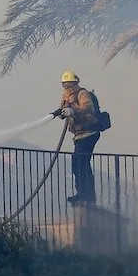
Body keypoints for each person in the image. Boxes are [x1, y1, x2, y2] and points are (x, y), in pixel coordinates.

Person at [53, 72, 103, 203]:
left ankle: (85, 195)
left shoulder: (82, 94)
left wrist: (73, 111)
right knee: (80, 164)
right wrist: (61, 113)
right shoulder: (66, 96)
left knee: (79, 164)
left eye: (68, 84)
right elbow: (63, 109)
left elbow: (88, 108)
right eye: (64, 84)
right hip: (79, 135)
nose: (66, 86)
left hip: (89, 133)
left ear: (75, 83)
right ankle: (85, 194)